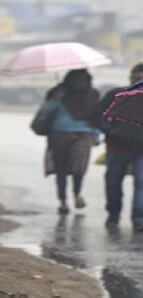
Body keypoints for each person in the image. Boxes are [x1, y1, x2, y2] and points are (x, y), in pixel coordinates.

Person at [96, 63, 143, 231]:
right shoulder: (116, 95)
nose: (139, 82)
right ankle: (113, 215)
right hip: (117, 146)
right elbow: (98, 116)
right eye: (136, 78)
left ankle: (139, 219)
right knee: (113, 183)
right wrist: (110, 131)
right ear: (130, 78)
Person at [33, 69, 101, 214]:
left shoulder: (92, 95)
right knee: (61, 170)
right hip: (59, 135)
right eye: (76, 80)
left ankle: (77, 194)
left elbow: (97, 117)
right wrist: (56, 98)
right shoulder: (58, 93)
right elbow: (45, 111)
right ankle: (62, 201)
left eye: (82, 80)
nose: (79, 84)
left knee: (79, 168)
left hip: (83, 134)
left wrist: (96, 135)